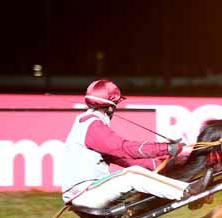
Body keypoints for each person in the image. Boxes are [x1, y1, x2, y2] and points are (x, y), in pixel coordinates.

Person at [60, 79, 200, 209]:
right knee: (131, 176)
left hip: (87, 192)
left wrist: (157, 164)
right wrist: (167, 148)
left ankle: (186, 189)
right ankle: (188, 192)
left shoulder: (87, 123)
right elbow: (125, 149)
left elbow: (123, 160)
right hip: (85, 195)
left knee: (134, 172)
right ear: (110, 108)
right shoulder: (93, 126)